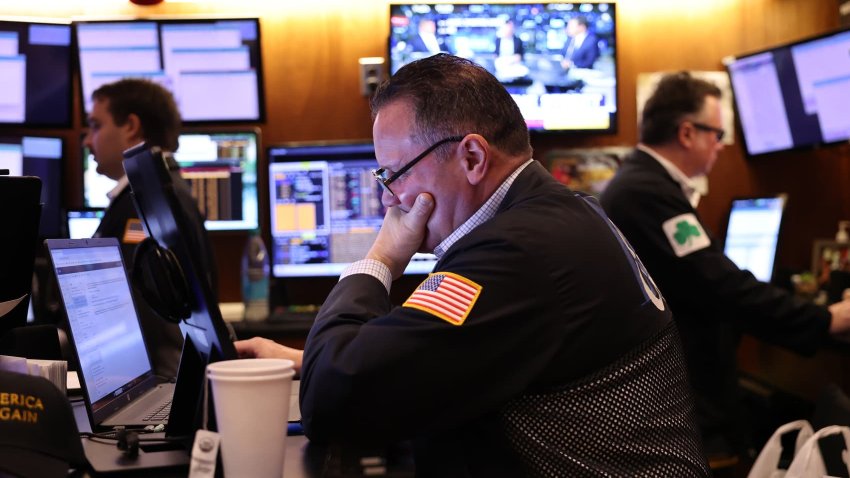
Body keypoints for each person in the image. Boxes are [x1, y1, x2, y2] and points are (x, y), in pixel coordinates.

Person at [236, 53, 710, 476]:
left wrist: (378, 259)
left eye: (393, 174)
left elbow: (333, 405)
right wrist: (308, 362)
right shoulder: (559, 214)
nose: (387, 199)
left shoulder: (518, 253)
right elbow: (449, 363)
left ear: (472, 156)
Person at [599, 71, 850, 460]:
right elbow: (720, 286)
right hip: (683, 399)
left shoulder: (637, 184)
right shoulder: (646, 193)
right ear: (687, 133)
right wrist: (824, 319)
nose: (719, 147)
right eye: (716, 135)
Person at [84, 78, 217, 379]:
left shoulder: (146, 200)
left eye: (95, 126)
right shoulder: (162, 190)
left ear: (130, 125)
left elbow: (135, 311)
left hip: (154, 381)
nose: (87, 140)